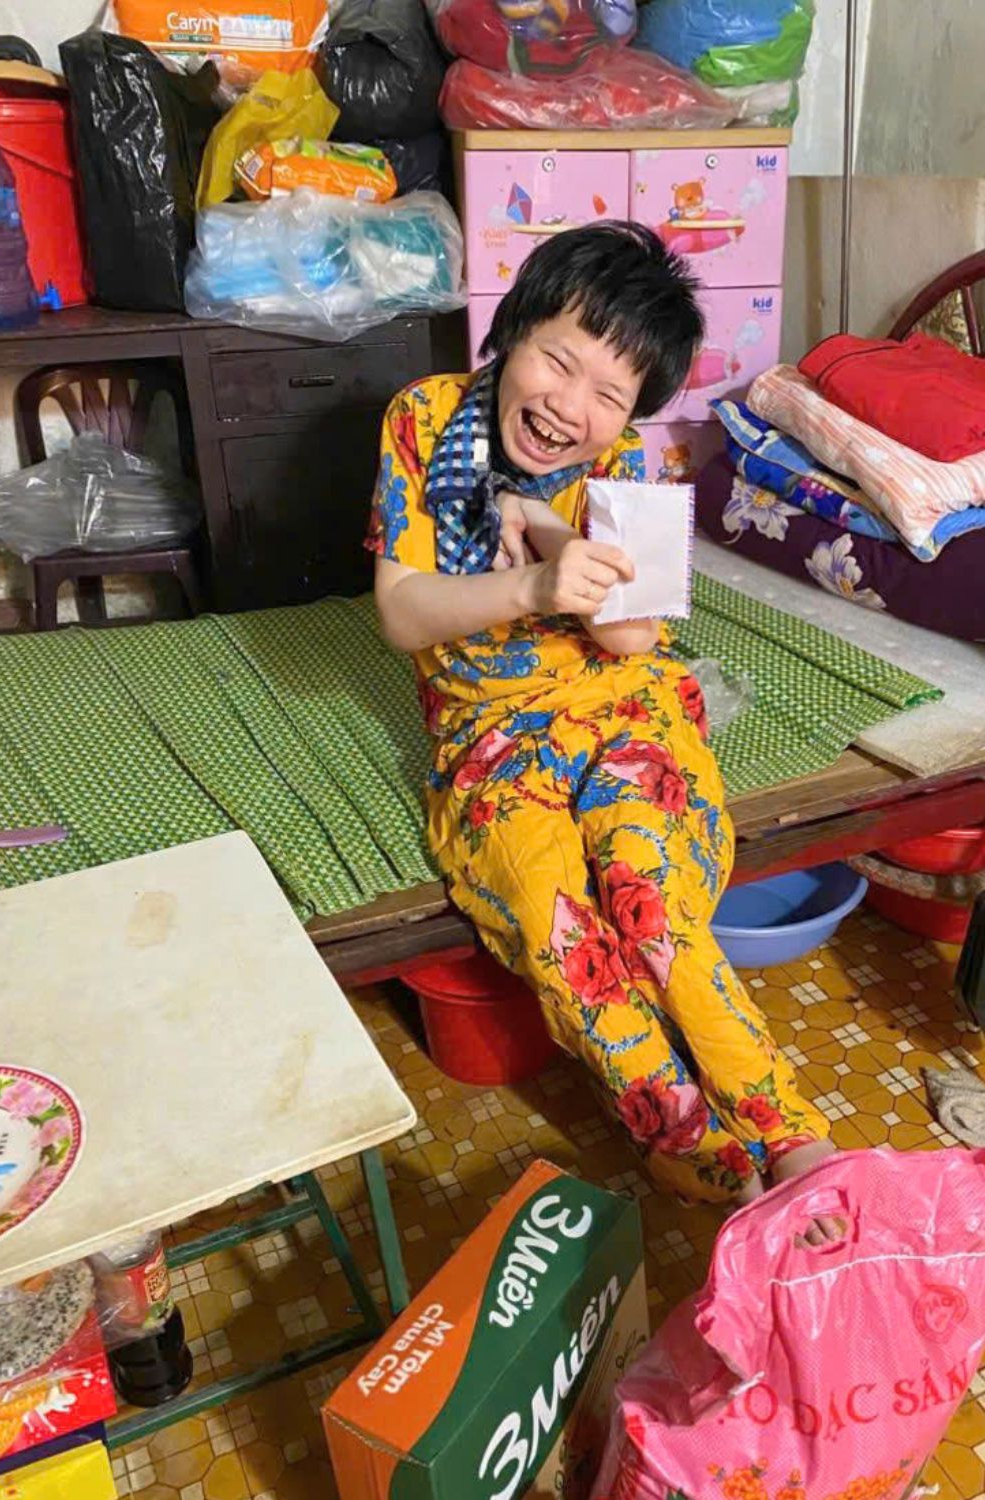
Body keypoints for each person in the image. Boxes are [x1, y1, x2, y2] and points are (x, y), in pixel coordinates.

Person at [369, 221, 834, 1221]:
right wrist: (534, 587)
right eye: (557, 360)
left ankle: (792, 1132)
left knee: (648, 896)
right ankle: (691, 1140)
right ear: (512, 330)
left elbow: (630, 639)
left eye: (609, 395)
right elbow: (402, 611)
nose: (569, 408)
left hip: (622, 709)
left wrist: (550, 530)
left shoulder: (626, 466)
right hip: (489, 734)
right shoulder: (424, 419)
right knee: (556, 919)